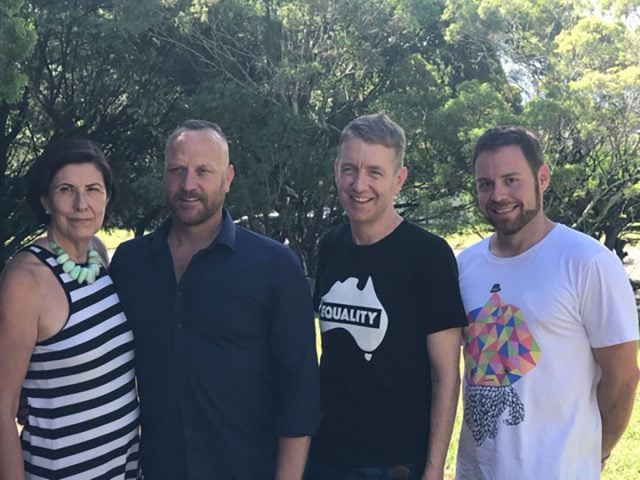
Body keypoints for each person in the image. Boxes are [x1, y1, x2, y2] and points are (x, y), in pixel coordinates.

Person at [109, 119, 321, 480]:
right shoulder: (130, 264)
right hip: (158, 469)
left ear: (228, 177)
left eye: (203, 171)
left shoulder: (273, 267)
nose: (188, 184)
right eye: (177, 170)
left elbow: (299, 392)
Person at [455, 126, 640, 479]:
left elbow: (624, 377)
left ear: (542, 178)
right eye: (485, 184)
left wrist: (595, 452)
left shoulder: (587, 261)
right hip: (476, 471)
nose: (498, 195)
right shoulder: (466, 265)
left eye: (512, 180)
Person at [308, 113, 467, 480]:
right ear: (336, 171)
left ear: (399, 179)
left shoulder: (428, 256)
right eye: (349, 169)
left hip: (392, 463)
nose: (359, 184)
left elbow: (446, 374)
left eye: (374, 173)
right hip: (324, 454)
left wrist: (433, 469)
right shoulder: (330, 246)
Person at [0, 138, 140, 479]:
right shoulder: (26, 281)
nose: (82, 204)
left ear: (107, 196)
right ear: (46, 200)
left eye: (93, 189)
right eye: (66, 189)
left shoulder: (98, 255)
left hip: (120, 467)